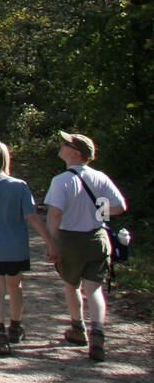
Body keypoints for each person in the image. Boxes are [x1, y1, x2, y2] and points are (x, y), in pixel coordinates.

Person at [44, 132, 127, 361]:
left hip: (70, 240)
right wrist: (99, 212)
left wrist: (52, 243)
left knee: (71, 286)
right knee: (95, 289)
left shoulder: (61, 181)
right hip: (98, 239)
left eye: (65, 144)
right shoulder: (100, 177)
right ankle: (98, 333)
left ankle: (78, 329)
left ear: (75, 153)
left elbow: (54, 215)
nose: (60, 145)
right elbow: (120, 206)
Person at [0, 142, 54, 355]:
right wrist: (49, 241)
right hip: (16, 247)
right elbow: (32, 215)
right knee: (16, 287)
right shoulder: (20, 185)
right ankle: (15, 326)